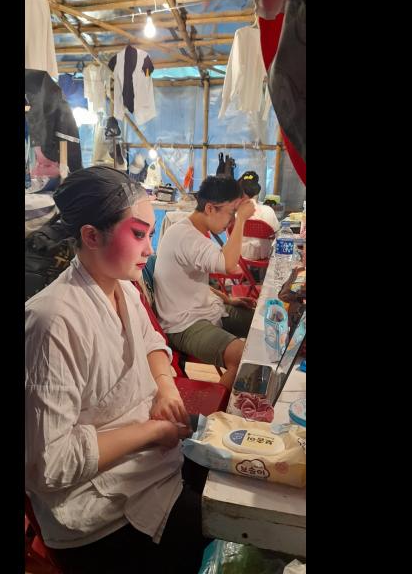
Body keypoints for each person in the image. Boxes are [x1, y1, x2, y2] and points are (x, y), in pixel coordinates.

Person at [24, 165, 210, 574]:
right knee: (221, 527)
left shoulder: (122, 287)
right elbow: (48, 465)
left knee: (233, 468)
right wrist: (153, 432)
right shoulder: (53, 322)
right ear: (91, 236)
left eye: (150, 234)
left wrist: (165, 386)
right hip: (97, 514)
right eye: (139, 234)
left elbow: (152, 343)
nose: (150, 250)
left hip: (148, 464)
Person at [153, 176, 257, 390]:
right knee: (241, 357)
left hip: (206, 309)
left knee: (262, 325)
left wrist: (228, 299)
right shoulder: (186, 236)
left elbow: (190, 282)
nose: (231, 220)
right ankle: (215, 410)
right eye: (231, 213)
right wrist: (242, 220)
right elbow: (229, 265)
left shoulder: (192, 231)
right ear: (210, 208)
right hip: (183, 324)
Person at [238, 170, 281, 260]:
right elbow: (278, 235)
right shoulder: (268, 210)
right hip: (264, 256)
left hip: (239, 256)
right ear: (257, 191)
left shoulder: (236, 213)